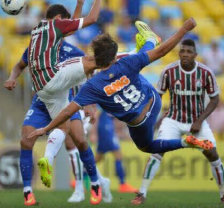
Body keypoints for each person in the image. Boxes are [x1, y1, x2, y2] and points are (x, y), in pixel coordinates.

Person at [29, 19, 214, 177]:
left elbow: (68, 111)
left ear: (96, 59)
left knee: (148, 146)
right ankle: (150, 40)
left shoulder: (91, 86)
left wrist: (46, 128)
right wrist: (184, 28)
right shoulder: (125, 63)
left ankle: (184, 142)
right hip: (153, 101)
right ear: (114, 56)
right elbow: (162, 51)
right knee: (139, 61)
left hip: (139, 122)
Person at [26, 0, 106, 205]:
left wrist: (78, 3)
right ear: (59, 19)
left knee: (64, 128)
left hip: (43, 88)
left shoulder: (38, 30)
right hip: (54, 79)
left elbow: (69, 29)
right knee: (93, 61)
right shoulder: (56, 26)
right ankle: (133, 55)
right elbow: (91, 19)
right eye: (65, 19)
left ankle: (48, 158)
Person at [131, 39, 224, 205]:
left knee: (213, 153)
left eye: (189, 52)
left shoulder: (206, 73)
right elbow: (157, 96)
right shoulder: (169, 71)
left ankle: (223, 194)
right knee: (157, 151)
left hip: (197, 121)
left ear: (195, 55)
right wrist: (154, 119)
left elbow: (215, 99)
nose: (185, 54)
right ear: (179, 53)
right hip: (173, 119)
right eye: (183, 51)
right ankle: (142, 193)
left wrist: (200, 120)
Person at [95, 110, 137, 193]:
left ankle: (81, 177)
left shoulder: (109, 100)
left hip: (107, 128)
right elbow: (96, 114)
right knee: (118, 155)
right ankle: (122, 184)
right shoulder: (103, 99)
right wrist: (94, 132)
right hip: (106, 129)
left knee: (97, 159)